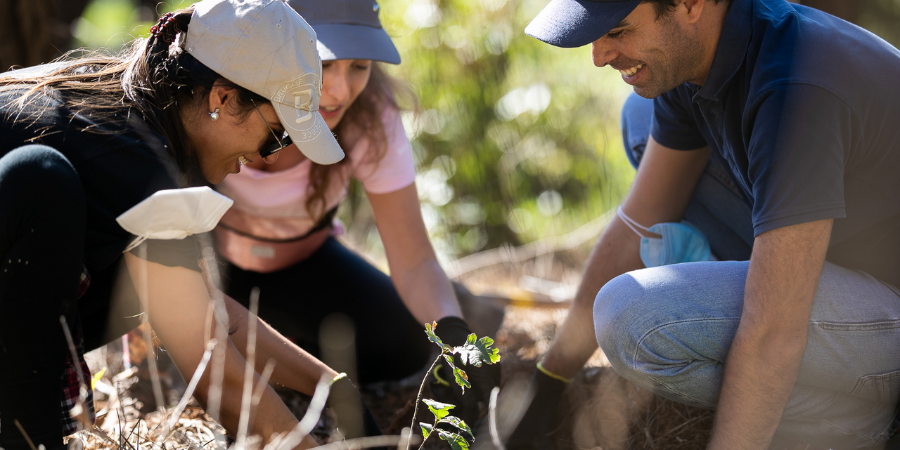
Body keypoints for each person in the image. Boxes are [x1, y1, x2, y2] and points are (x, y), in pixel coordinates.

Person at [507, 0, 900, 448]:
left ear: (691, 5)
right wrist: (549, 378)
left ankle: (860, 421)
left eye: (617, 30)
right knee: (641, 115)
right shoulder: (697, 53)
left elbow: (773, 334)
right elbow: (640, 219)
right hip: (854, 244)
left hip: (890, 301)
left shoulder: (795, 89)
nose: (598, 55)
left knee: (633, 319)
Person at [0, 0, 380, 448]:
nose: (266, 155)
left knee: (141, 286)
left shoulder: (138, 116)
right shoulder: (135, 157)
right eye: (276, 133)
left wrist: (331, 385)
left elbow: (203, 312)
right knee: (42, 178)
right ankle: (31, 439)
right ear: (222, 97)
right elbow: (214, 366)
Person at [211, 0, 500, 425]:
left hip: (307, 269)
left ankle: (288, 348)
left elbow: (415, 258)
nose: (341, 90)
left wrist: (453, 336)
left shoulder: (370, 116)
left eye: (359, 66)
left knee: (403, 344)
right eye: (323, 63)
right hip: (213, 273)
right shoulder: (216, 101)